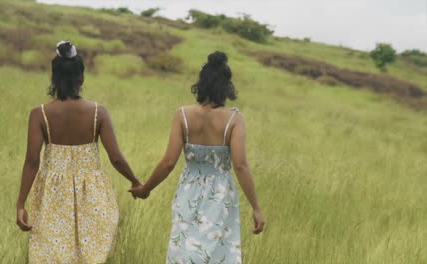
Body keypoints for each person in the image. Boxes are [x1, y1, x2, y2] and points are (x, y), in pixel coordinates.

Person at [129, 51, 265, 264]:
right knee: (218, 253)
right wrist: (256, 207)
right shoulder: (234, 119)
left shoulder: (182, 115)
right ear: (225, 86)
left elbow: (168, 163)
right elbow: (240, 166)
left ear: (201, 83)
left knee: (184, 250)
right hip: (221, 194)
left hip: (188, 190)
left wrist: (146, 189)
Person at [15, 41, 141, 263]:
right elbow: (116, 158)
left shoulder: (39, 114)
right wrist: (135, 181)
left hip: (53, 196)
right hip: (92, 195)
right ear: (81, 78)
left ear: (54, 77)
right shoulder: (97, 112)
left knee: (53, 255)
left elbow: (32, 162)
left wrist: (21, 204)